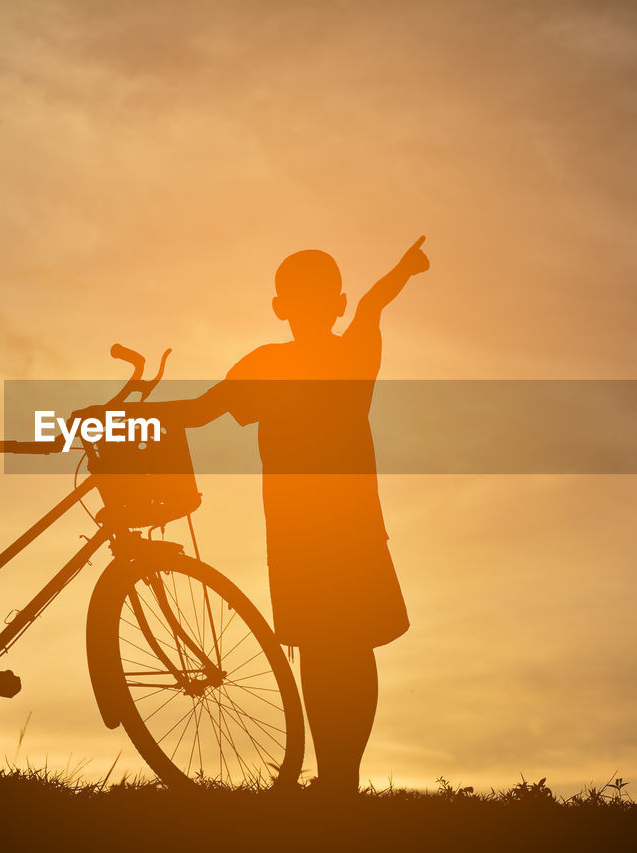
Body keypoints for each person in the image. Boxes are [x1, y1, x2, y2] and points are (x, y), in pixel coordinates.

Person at [137, 237, 431, 793]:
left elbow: (199, 413)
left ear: (280, 307)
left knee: (322, 650)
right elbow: (373, 304)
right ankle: (342, 778)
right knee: (350, 647)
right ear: (335, 304)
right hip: (353, 526)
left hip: (300, 531)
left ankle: (336, 779)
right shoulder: (353, 350)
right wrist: (404, 270)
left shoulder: (268, 363)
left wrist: (120, 420)